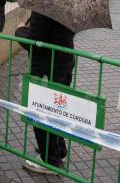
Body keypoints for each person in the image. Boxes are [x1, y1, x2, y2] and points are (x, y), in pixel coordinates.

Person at [15, 11, 76, 175]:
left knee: (40, 111)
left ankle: (50, 160)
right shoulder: (68, 4)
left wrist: (20, 30)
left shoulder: (44, 9)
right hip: (64, 63)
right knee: (56, 111)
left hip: (46, 68)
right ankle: (58, 149)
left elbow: (34, 41)